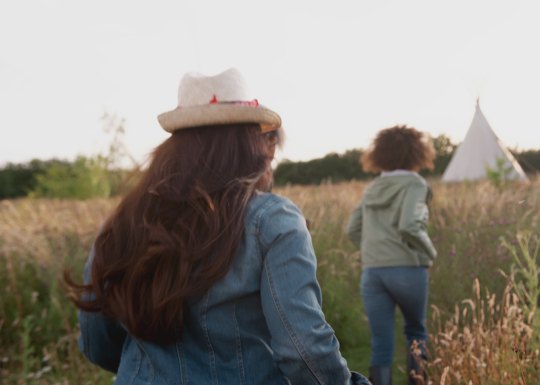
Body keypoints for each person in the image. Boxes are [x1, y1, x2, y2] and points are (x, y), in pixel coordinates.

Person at [65, 68, 370, 385]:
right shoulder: (271, 219)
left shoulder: (122, 222)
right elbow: (303, 350)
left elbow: (96, 342)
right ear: (251, 143)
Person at [346, 126, 437, 385]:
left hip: (372, 273)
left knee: (380, 343)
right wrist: (430, 253)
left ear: (380, 153)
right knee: (416, 332)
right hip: (408, 270)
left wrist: (372, 252)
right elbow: (410, 225)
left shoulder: (373, 187)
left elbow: (352, 229)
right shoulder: (416, 184)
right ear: (417, 153)